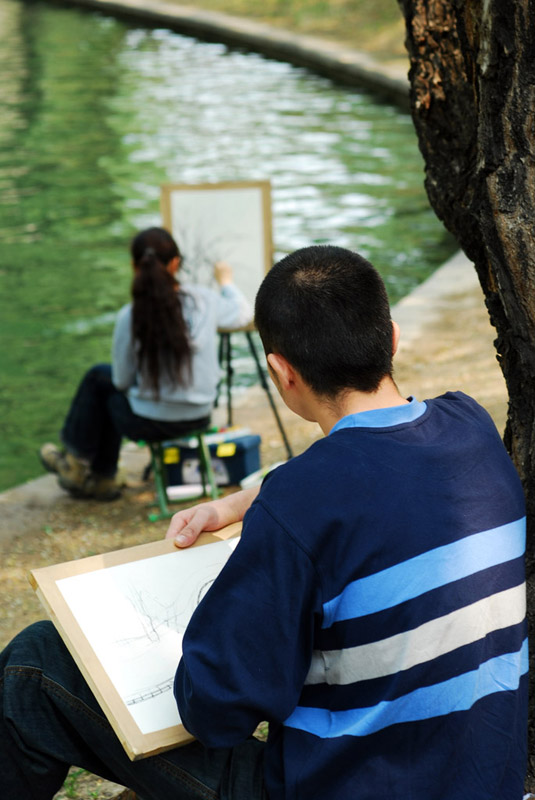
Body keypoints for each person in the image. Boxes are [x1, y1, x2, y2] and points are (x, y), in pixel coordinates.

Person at [1, 245, 527, 799]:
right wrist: (247, 499)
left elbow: (214, 713)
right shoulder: (470, 423)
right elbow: (366, 466)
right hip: (482, 777)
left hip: (339, 786)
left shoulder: (301, 506)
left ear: (280, 372)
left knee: (34, 667)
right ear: (391, 338)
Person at [39, 227, 251, 501]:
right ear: (175, 263)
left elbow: (122, 381)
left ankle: (82, 466)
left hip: (149, 424)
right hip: (200, 416)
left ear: (134, 266)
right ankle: (92, 472)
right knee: (104, 383)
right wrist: (226, 281)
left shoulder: (130, 316)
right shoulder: (205, 301)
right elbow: (243, 313)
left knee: (100, 380)